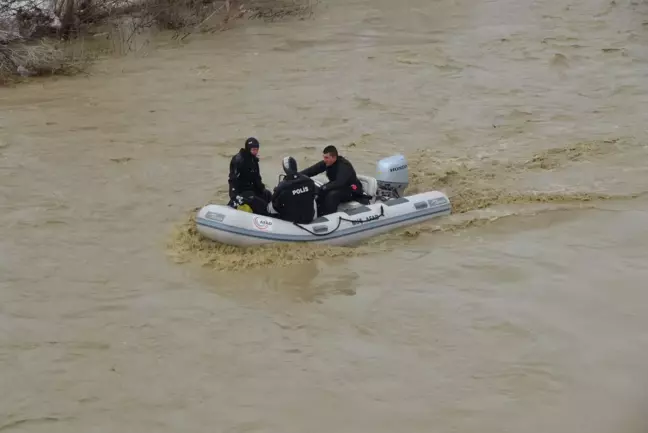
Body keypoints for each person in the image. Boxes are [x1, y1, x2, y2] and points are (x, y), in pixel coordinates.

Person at [299, 145, 364, 215]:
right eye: (324, 157)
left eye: (326, 157)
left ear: (334, 157)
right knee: (318, 191)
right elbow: (312, 170)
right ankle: (316, 212)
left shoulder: (344, 165)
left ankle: (330, 216)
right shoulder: (328, 163)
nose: (324, 160)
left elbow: (339, 182)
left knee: (332, 195)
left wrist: (324, 187)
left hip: (352, 189)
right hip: (339, 187)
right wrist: (296, 175)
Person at [227, 137, 272, 215]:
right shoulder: (238, 161)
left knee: (268, 195)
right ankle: (267, 216)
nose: (255, 152)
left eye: (257, 149)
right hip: (242, 192)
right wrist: (234, 196)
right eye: (253, 149)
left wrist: (262, 189)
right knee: (261, 205)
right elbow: (233, 180)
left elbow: (257, 178)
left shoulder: (254, 160)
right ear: (248, 149)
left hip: (252, 190)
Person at [269, 156, 317, 224]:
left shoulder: (282, 186)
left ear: (285, 169)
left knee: (271, 206)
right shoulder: (309, 181)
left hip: (291, 220)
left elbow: (275, 203)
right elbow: (313, 196)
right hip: (309, 217)